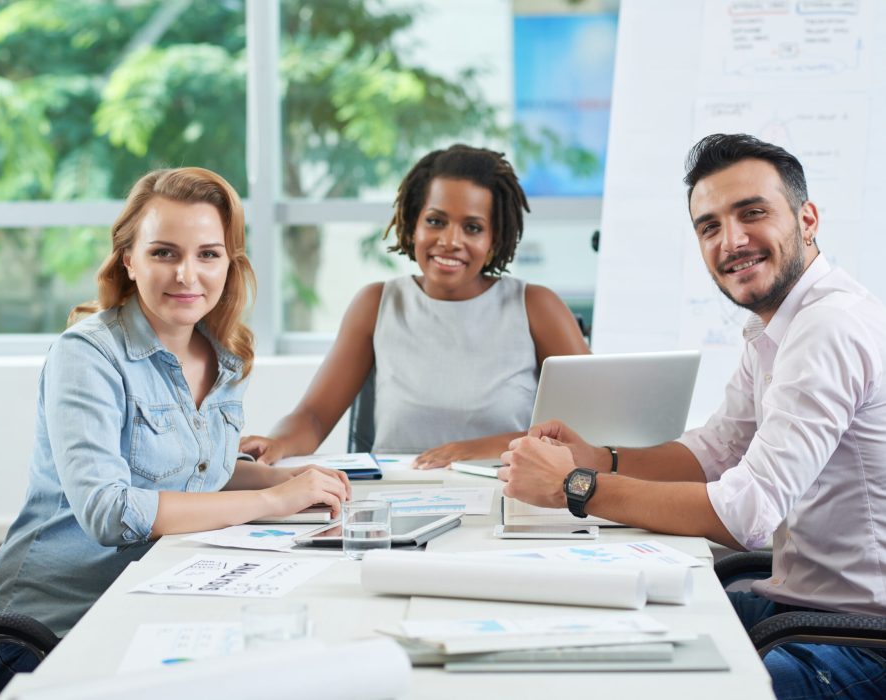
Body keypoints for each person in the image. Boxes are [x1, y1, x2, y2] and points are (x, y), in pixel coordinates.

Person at [500, 134, 886, 699]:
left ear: (807, 220)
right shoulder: (776, 326)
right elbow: (714, 452)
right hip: (801, 607)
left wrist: (574, 486)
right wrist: (600, 458)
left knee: (631, 684)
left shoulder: (827, 328)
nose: (732, 240)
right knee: (595, 635)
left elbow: (747, 513)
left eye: (753, 213)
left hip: (858, 642)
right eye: (710, 226)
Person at [0, 167, 349, 698]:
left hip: (155, 601)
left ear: (230, 264)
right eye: (164, 253)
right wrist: (273, 499)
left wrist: (292, 480)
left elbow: (200, 473)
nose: (187, 274)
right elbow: (111, 511)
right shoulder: (86, 355)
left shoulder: (225, 355)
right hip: (56, 630)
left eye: (208, 254)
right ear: (129, 259)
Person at [240, 144, 589, 469]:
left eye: (472, 227)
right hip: (397, 498)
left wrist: (483, 447)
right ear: (412, 224)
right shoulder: (376, 304)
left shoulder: (536, 306)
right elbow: (313, 416)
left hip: (508, 496)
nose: (450, 241)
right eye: (436, 221)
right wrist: (277, 442)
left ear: (494, 239)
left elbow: (595, 426)